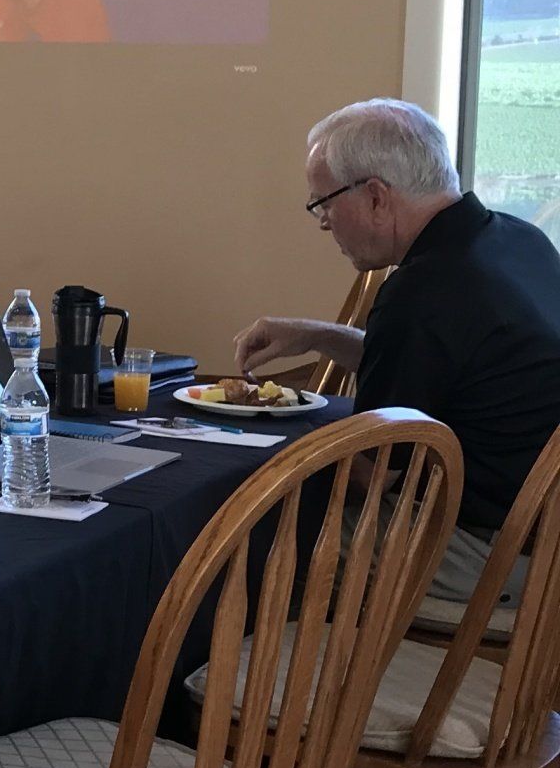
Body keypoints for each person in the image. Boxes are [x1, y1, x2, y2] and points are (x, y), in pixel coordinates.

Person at [235, 98, 560, 616]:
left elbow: (371, 475)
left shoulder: (424, 292)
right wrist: (320, 336)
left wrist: (267, 447)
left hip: (493, 552)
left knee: (257, 533)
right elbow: (446, 371)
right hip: (538, 534)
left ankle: (262, 690)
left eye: (323, 203)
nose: (322, 222)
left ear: (377, 197)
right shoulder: (517, 241)